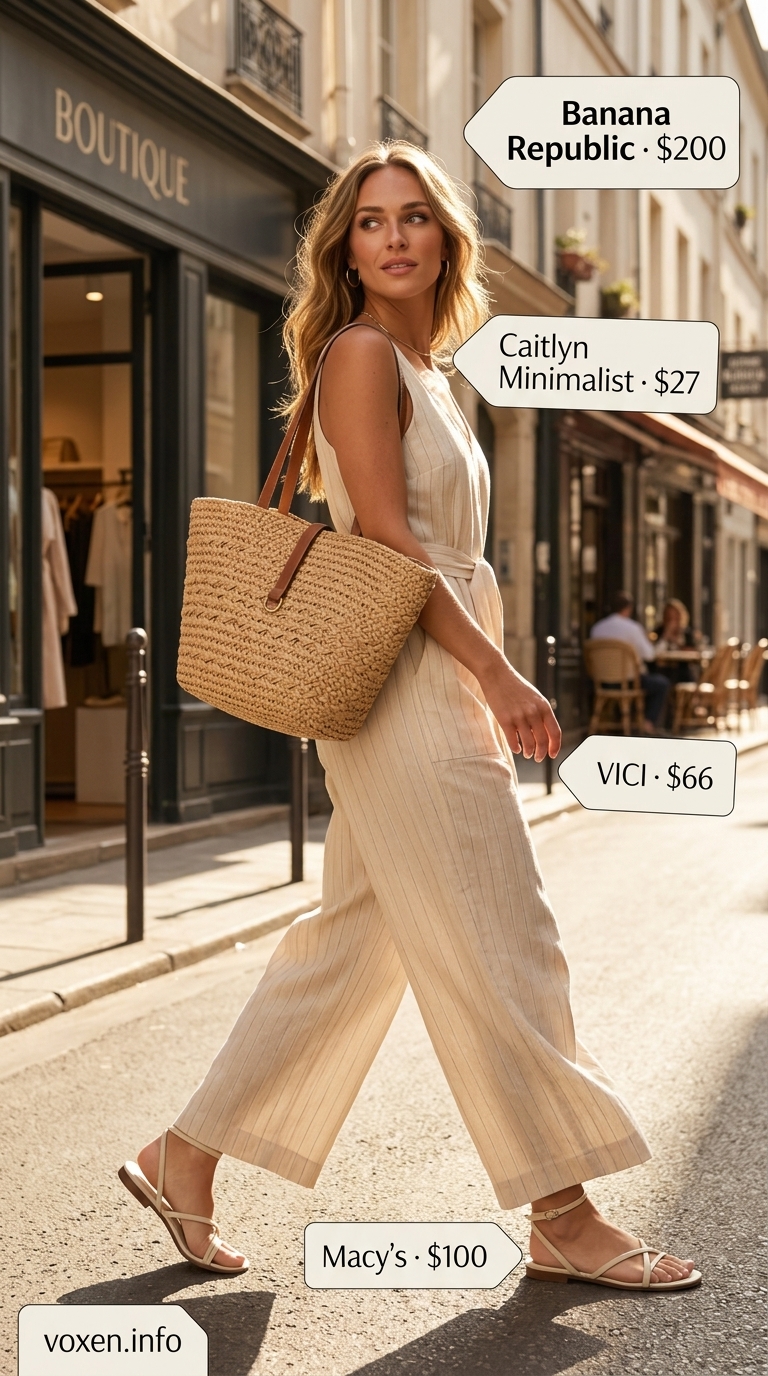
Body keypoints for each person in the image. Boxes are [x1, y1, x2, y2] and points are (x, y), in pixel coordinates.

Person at [119, 144, 699, 1292]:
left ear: (443, 239)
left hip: (424, 670)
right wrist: (499, 673)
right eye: (371, 220)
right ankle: (563, 1205)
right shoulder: (360, 352)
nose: (392, 237)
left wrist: (478, 660)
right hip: (408, 685)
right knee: (507, 934)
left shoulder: (433, 369)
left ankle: (182, 1154)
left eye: (414, 217)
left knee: (350, 948)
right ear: (347, 244)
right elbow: (388, 541)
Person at [590, 591, 670, 734]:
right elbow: (650, 656)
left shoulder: (597, 628)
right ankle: (647, 722)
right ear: (628, 609)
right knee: (661, 684)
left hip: (602, 682)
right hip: (629, 680)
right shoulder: (633, 628)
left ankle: (615, 720)